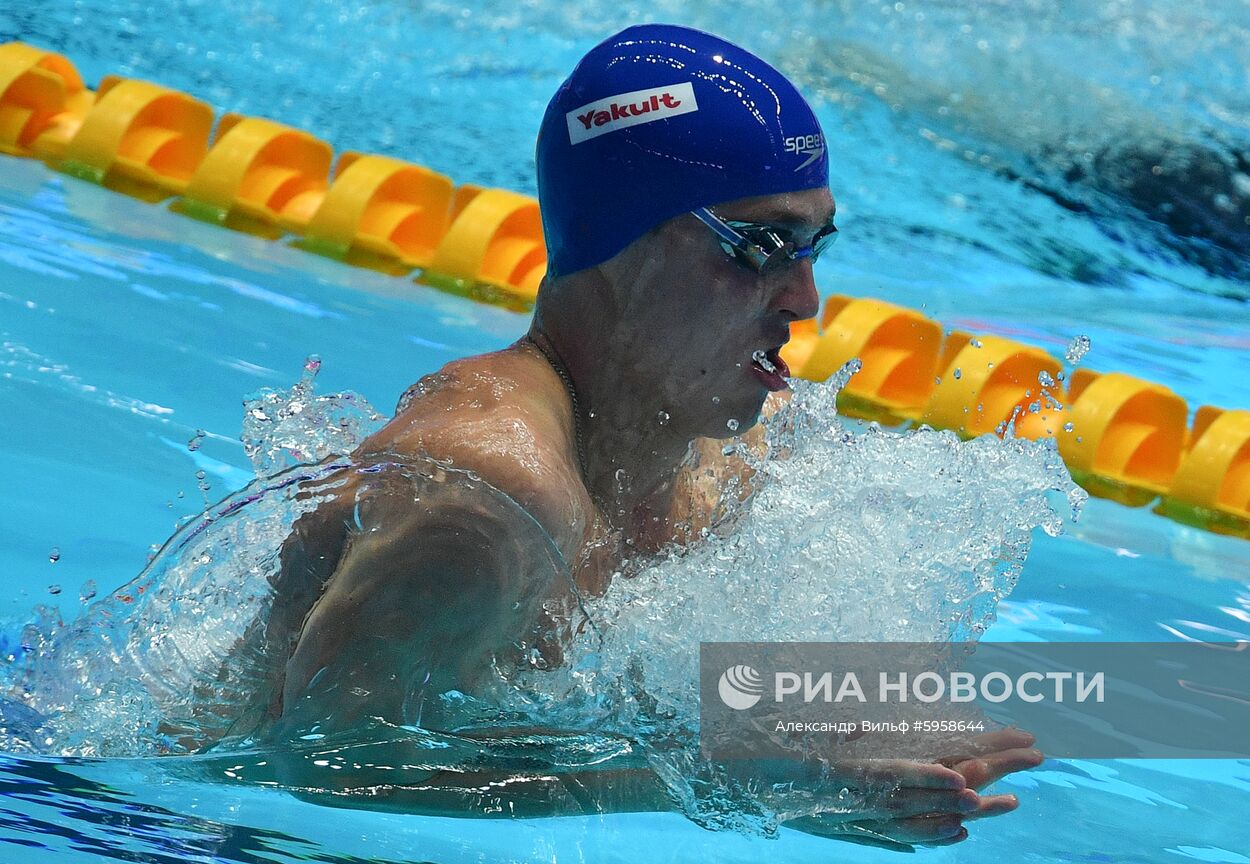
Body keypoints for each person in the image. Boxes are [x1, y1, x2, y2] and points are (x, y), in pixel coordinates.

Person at [250, 23, 1041, 850]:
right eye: (763, 247)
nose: (806, 300)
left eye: (814, 247)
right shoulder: (486, 491)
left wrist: (850, 770)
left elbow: (727, 714)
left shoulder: (718, 465)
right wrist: (725, 776)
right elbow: (324, 764)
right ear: (615, 239)